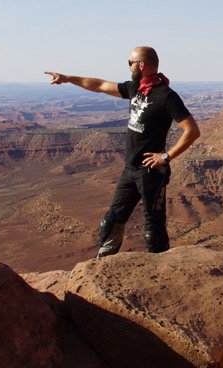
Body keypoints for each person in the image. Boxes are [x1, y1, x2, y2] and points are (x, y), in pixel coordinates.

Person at [45, 46, 200, 257]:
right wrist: (68, 78)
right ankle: (104, 263)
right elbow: (99, 85)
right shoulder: (135, 88)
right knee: (112, 219)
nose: (128, 67)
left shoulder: (166, 96)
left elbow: (192, 130)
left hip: (151, 172)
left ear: (141, 65)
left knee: (153, 225)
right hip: (130, 169)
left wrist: (166, 156)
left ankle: (162, 268)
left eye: (130, 63)